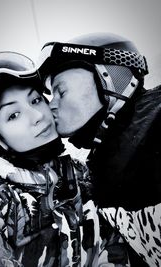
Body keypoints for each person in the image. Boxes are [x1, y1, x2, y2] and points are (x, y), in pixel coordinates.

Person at [0, 51, 130, 267]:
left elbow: (113, 249)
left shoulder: (83, 178)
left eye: (36, 100)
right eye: (13, 115)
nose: (38, 115)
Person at [37, 32, 161, 267]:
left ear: (110, 76)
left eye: (60, 92)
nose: (51, 105)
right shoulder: (97, 167)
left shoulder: (156, 121)